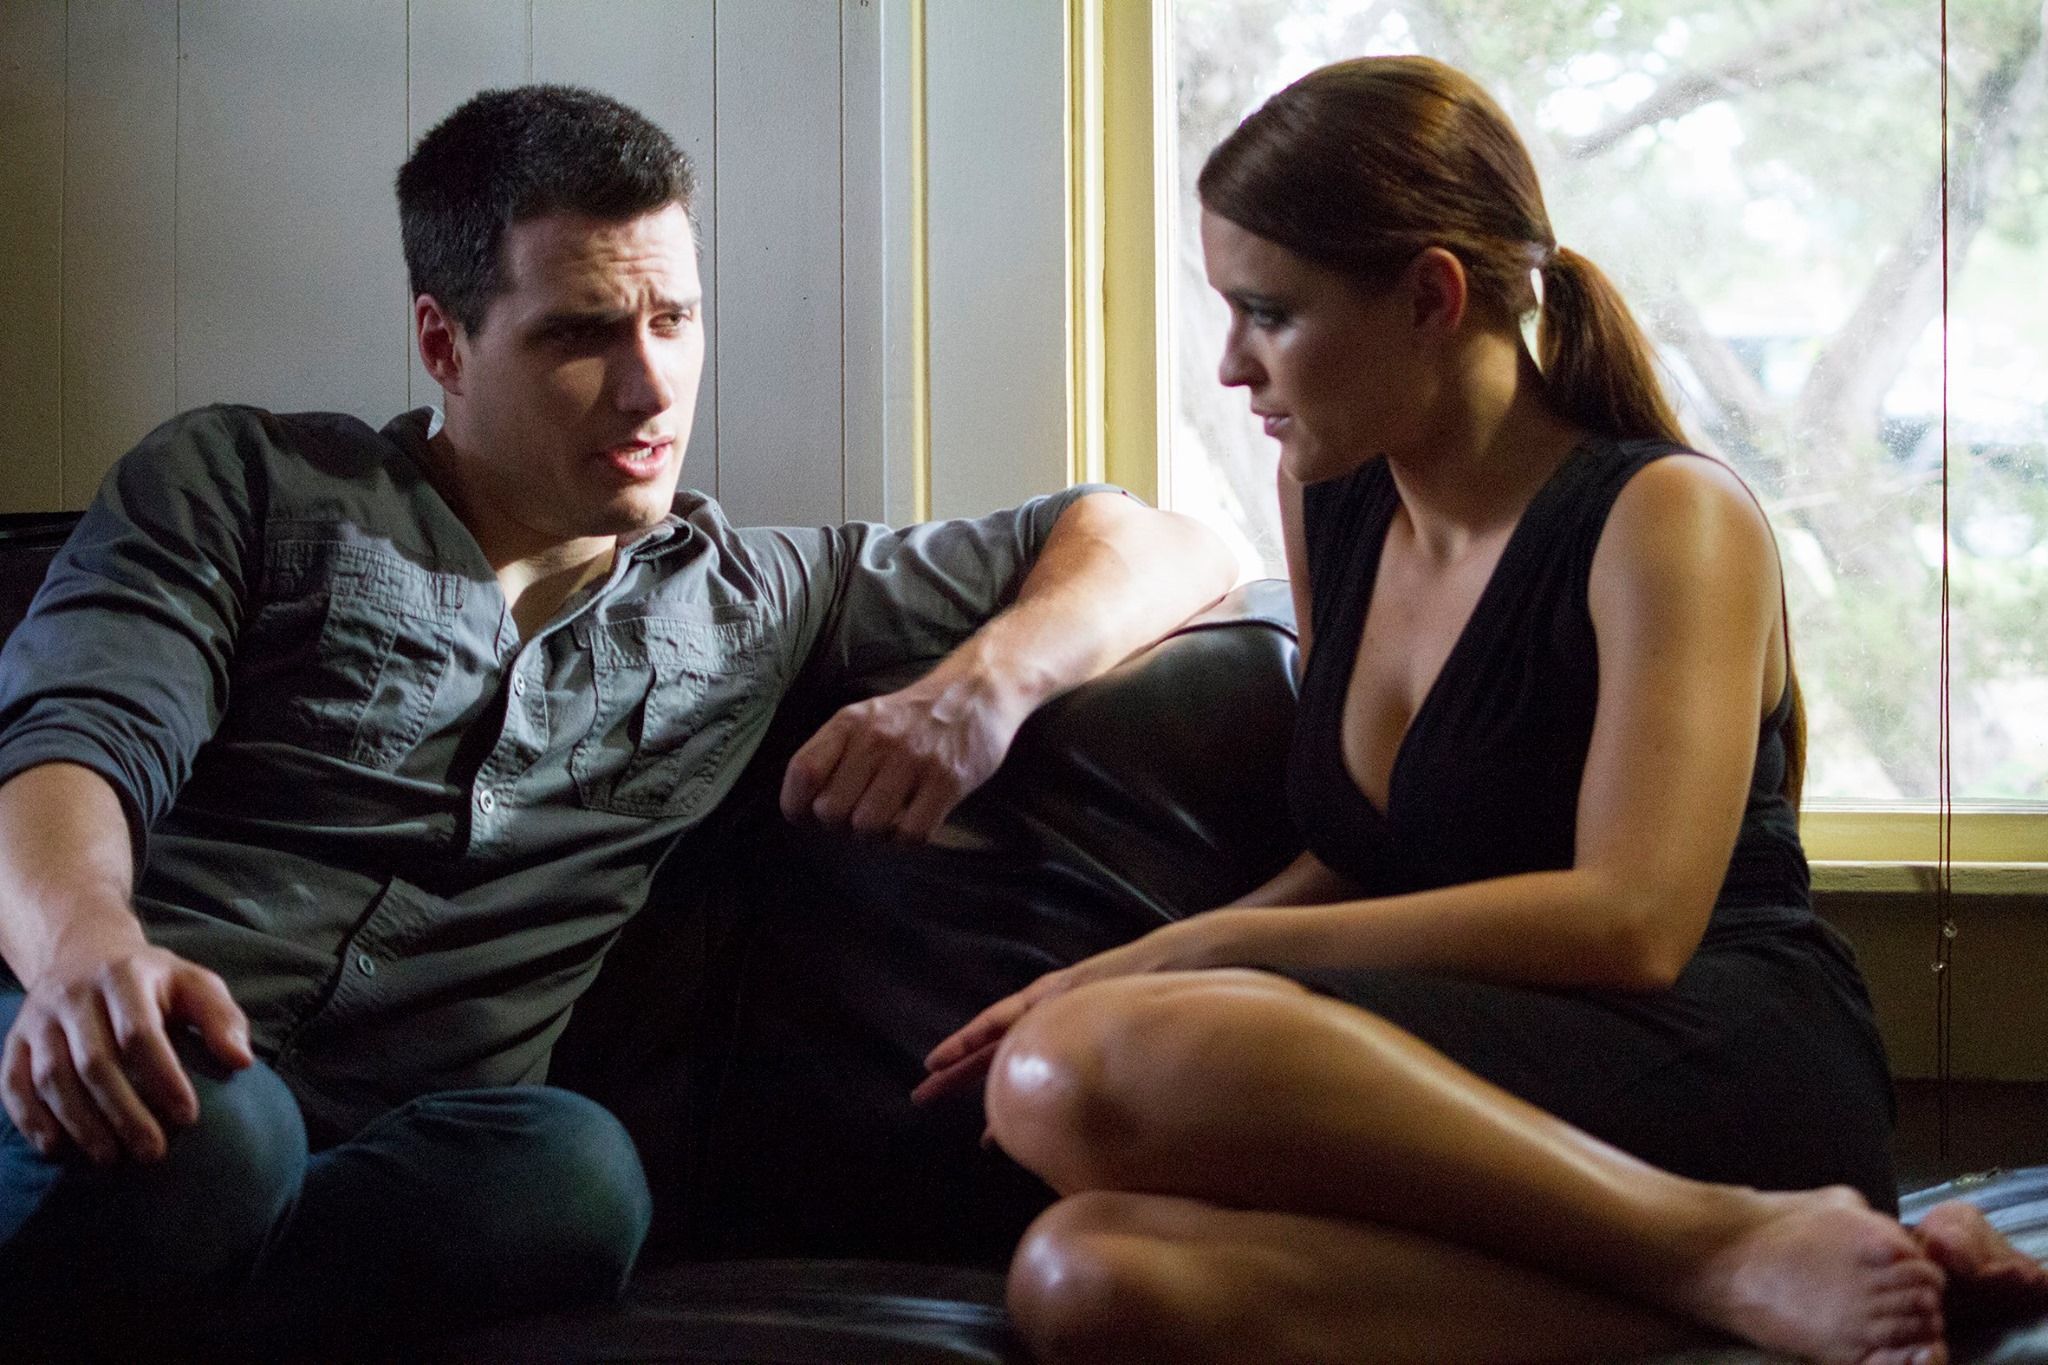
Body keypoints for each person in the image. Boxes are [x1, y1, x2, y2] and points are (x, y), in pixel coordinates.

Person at [0, 85, 1234, 1357]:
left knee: (574, 1174)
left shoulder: (759, 600)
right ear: (443, 344)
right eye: (581, 334)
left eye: (673, 320)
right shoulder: (250, 486)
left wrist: (978, 693)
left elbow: (1161, 539)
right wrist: (84, 951)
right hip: (94, 1042)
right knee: (217, 1126)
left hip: (401, 1159)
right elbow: (72, 734)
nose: (648, 388)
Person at [916, 55, 2048, 1364]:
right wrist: (1132, 964)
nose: (1230, 365)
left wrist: (1199, 958)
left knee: (1074, 1071)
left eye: (1268, 314)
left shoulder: (1666, 518)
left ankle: (1719, 1236)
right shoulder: (1333, 496)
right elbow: (1357, 859)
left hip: (1710, 1050)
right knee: (1083, 1280)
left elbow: (1632, 923)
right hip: (1480, 1082)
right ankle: (1808, 1281)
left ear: (1431, 297)